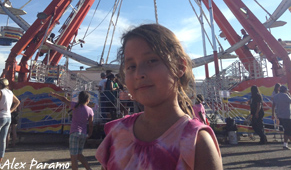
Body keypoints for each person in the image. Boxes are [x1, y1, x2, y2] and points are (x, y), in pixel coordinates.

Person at [96, 23, 222, 170]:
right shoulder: (117, 132)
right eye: (131, 66)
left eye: (151, 61)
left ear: (180, 67)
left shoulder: (197, 142)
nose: (138, 74)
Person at [51, 90, 94, 170]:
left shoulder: (74, 105)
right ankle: (89, 168)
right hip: (83, 134)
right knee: (79, 155)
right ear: (87, 100)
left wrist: (55, 94)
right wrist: (90, 134)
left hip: (74, 133)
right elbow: (91, 125)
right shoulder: (90, 110)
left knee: (73, 157)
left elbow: (64, 99)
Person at [0, 78, 20, 165]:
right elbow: (18, 102)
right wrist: (11, 111)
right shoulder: (10, 92)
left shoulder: (1, 92)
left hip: (0, 117)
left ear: (1, 85)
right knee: (3, 140)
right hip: (8, 117)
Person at [272, 85, 291, 150]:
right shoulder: (286, 96)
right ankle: (285, 144)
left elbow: (273, 105)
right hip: (287, 116)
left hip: (280, 115)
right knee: (288, 130)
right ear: (285, 90)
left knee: (286, 130)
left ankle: (285, 144)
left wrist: (273, 114)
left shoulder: (276, 96)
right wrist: (289, 95)